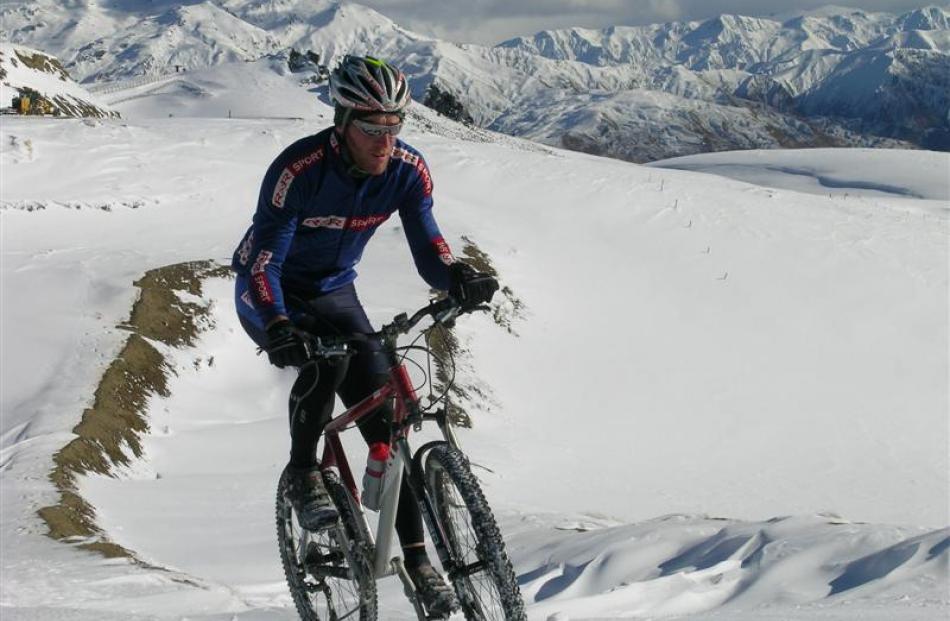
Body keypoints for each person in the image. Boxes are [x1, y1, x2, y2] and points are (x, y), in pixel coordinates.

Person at [230, 55, 498, 616]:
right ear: (342, 120)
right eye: (372, 128)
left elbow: (428, 243)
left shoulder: (407, 170)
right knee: (322, 363)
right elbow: (264, 264)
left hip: (333, 290)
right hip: (271, 289)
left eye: (395, 126)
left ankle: (421, 564)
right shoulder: (297, 172)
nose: (385, 140)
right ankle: (305, 473)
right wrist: (279, 326)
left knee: (388, 423)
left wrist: (455, 276)